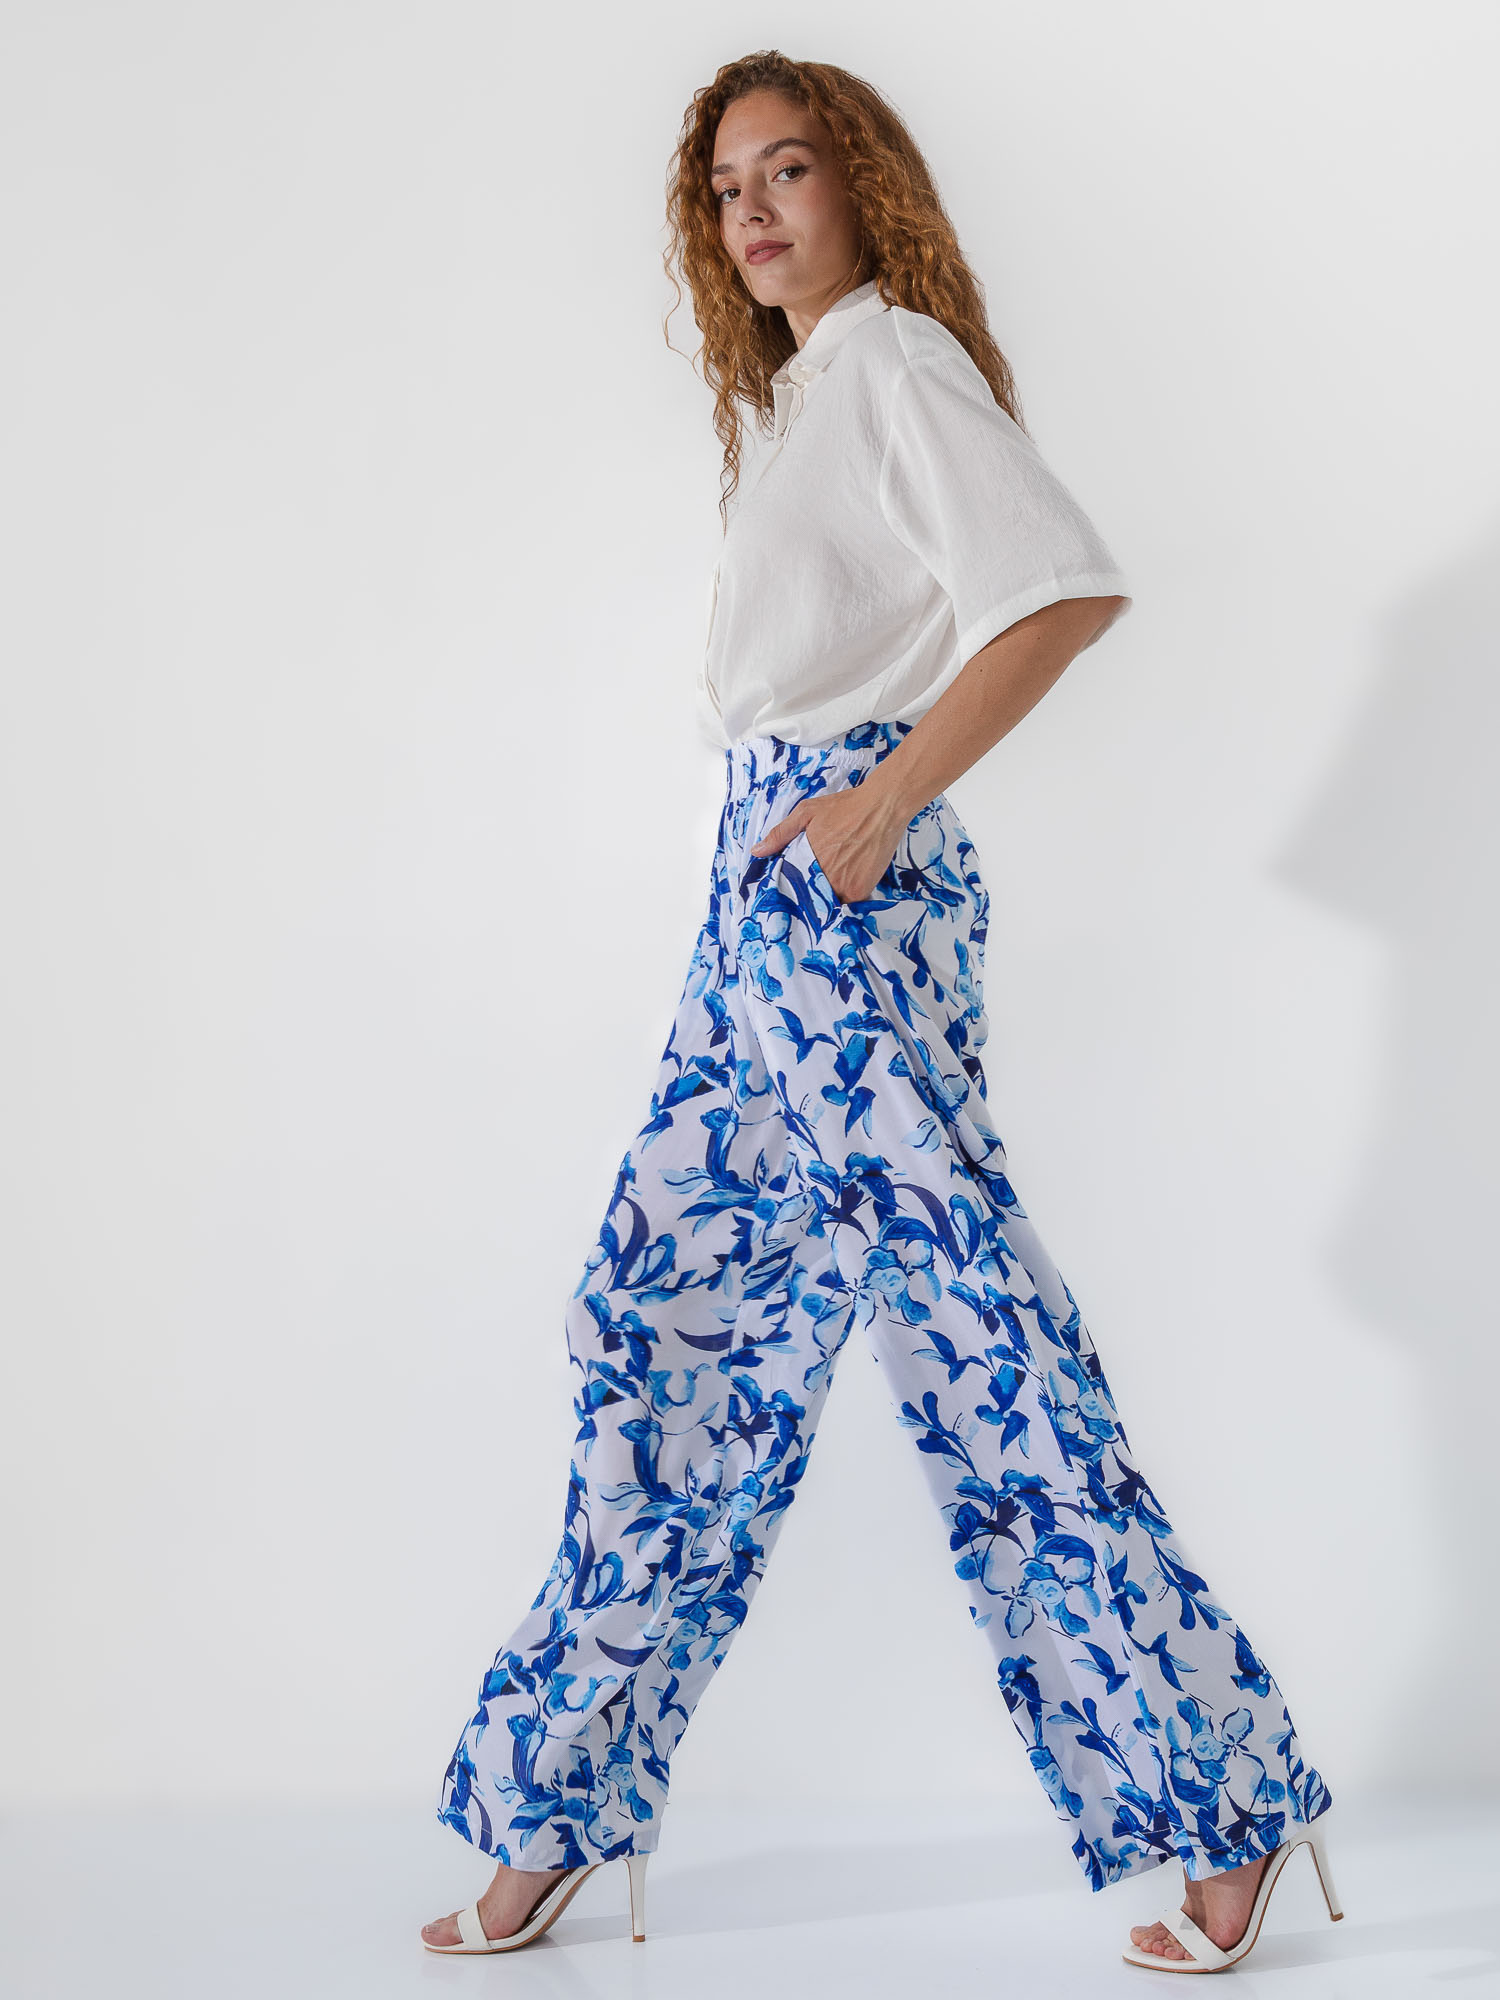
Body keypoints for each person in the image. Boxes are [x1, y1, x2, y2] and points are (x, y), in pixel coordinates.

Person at [420, 50, 1341, 1974]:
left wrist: (888, 800)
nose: (754, 211)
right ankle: (559, 1812)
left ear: (863, 186)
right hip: (762, 893)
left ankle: (1229, 1808)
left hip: (843, 888)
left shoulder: (899, 364)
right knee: (659, 1320)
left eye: (790, 170)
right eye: (726, 186)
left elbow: (1059, 594)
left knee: (972, 1336)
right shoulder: (802, 401)